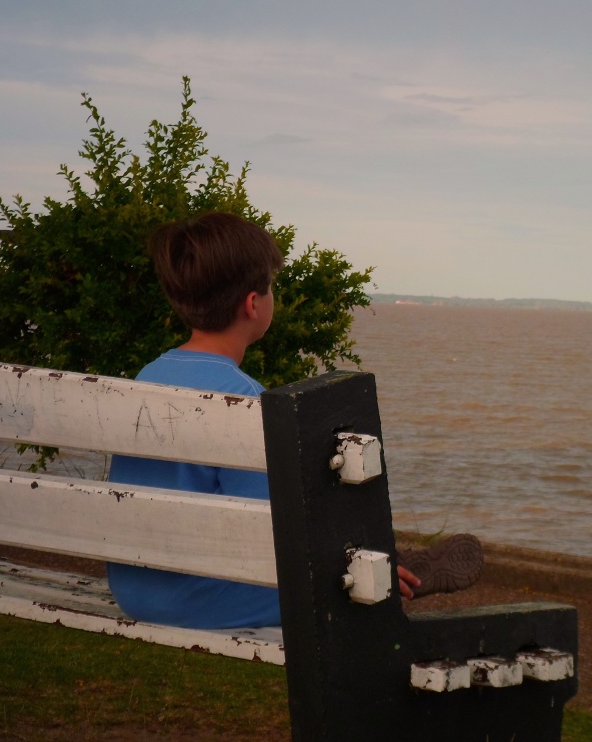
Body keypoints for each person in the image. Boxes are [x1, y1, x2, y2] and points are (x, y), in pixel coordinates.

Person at [105, 212, 430, 629]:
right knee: (352, 586)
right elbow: (273, 530)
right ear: (253, 304)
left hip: (136, 590)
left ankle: (387, 568)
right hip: (200, 600)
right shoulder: (242, 400)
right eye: (272, 287)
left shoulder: (148, 377)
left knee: (344, 569)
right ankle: (388, 573)